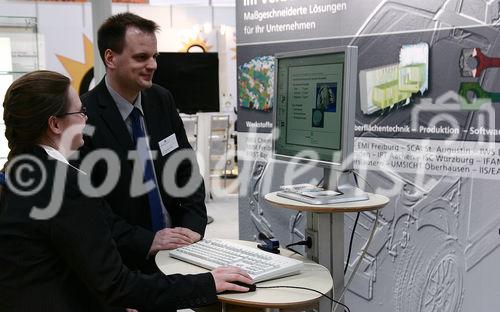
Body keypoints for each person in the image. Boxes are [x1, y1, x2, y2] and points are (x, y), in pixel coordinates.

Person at [0, 70, 253, 312]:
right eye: (80, 111)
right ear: (55, 124)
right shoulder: (65, 184)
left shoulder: (19, 168)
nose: (85, 118)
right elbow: (117, 285)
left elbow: (57, 263)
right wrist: (208, 283)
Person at [79, 12, 207, 273]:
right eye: (141, 57)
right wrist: (147, 241)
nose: (153, 65)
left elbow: (186, 170)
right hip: (122, 263)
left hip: (177, 254)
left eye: (154, 57)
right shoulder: (84, 114)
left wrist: (192, 229)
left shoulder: (161, 100)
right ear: (110, 58)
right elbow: (90, 208)